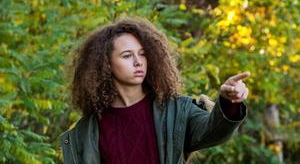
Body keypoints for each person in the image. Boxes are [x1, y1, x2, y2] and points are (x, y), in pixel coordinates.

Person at [60, 17, 249, 164]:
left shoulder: (176, 111)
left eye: (143, 54)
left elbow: (212, 132)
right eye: (127, 55)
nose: (138, 61)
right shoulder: (85, 132)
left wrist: (228, 101)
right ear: (106, 64)